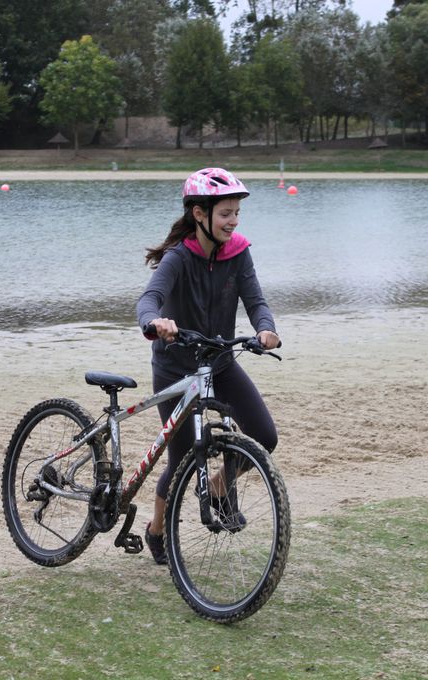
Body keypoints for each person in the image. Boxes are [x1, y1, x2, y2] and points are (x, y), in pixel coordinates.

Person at [136, 167, 280, 565]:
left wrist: (266, 328)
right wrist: (155, 323)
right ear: (199, 214)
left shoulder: (238, 252)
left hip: (219, 362)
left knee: (264, 436)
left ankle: (218, 487)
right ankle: (157, 529)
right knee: (180, 459)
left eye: (237, 213)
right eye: (225, 214)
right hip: (175, 367)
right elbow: (149, 299)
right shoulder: (178, 258)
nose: (233, 222)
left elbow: (256, 300)